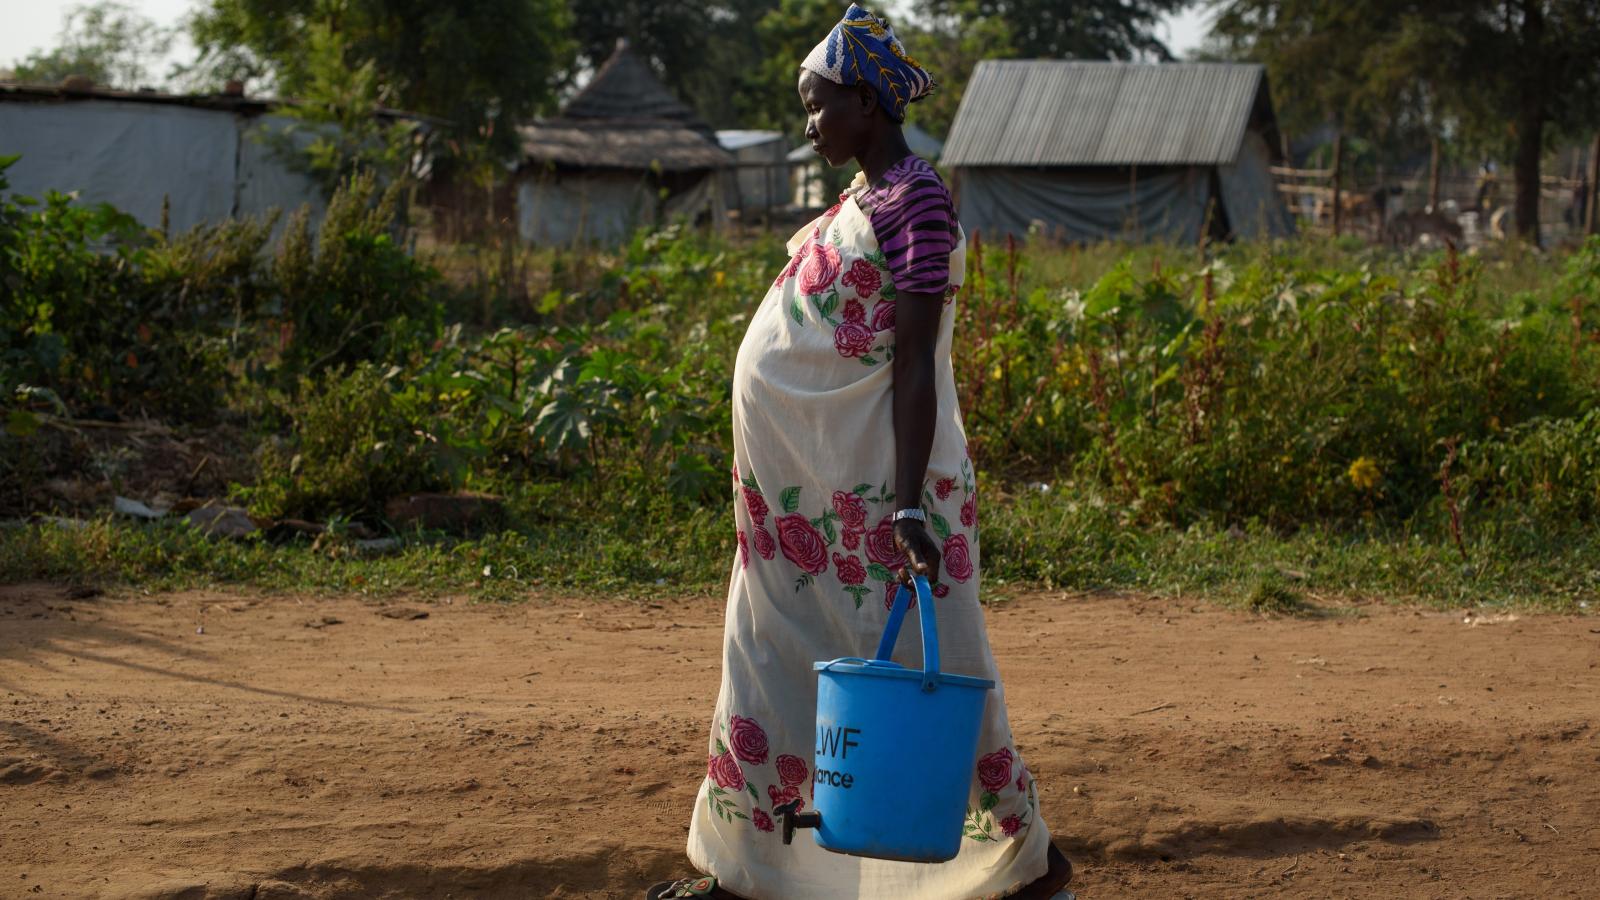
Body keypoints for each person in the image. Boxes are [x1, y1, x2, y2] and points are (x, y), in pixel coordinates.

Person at [648, 6, 1072, 899]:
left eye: (818, 105)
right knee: (766, 661)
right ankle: (748, 871)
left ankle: (1024, 870)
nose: (809, 124)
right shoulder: (863, 200)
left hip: (886, 499)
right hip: (799, 515)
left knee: (938, 676)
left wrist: (911, 507)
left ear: (868, 106)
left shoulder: (916, 198)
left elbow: (914, 361)